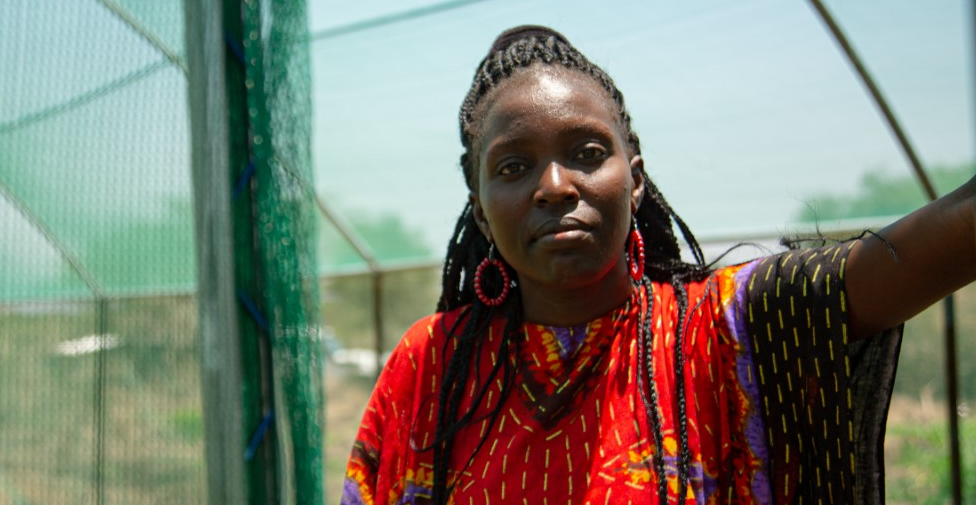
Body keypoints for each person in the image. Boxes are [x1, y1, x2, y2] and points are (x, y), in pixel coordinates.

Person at [341, 25, 975, 505]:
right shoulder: (432, 365)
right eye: (513, 166)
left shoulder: (722, 331)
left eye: (586, 152)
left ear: (634, 179)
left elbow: (917, 256)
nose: (556, 185)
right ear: (481, 211)